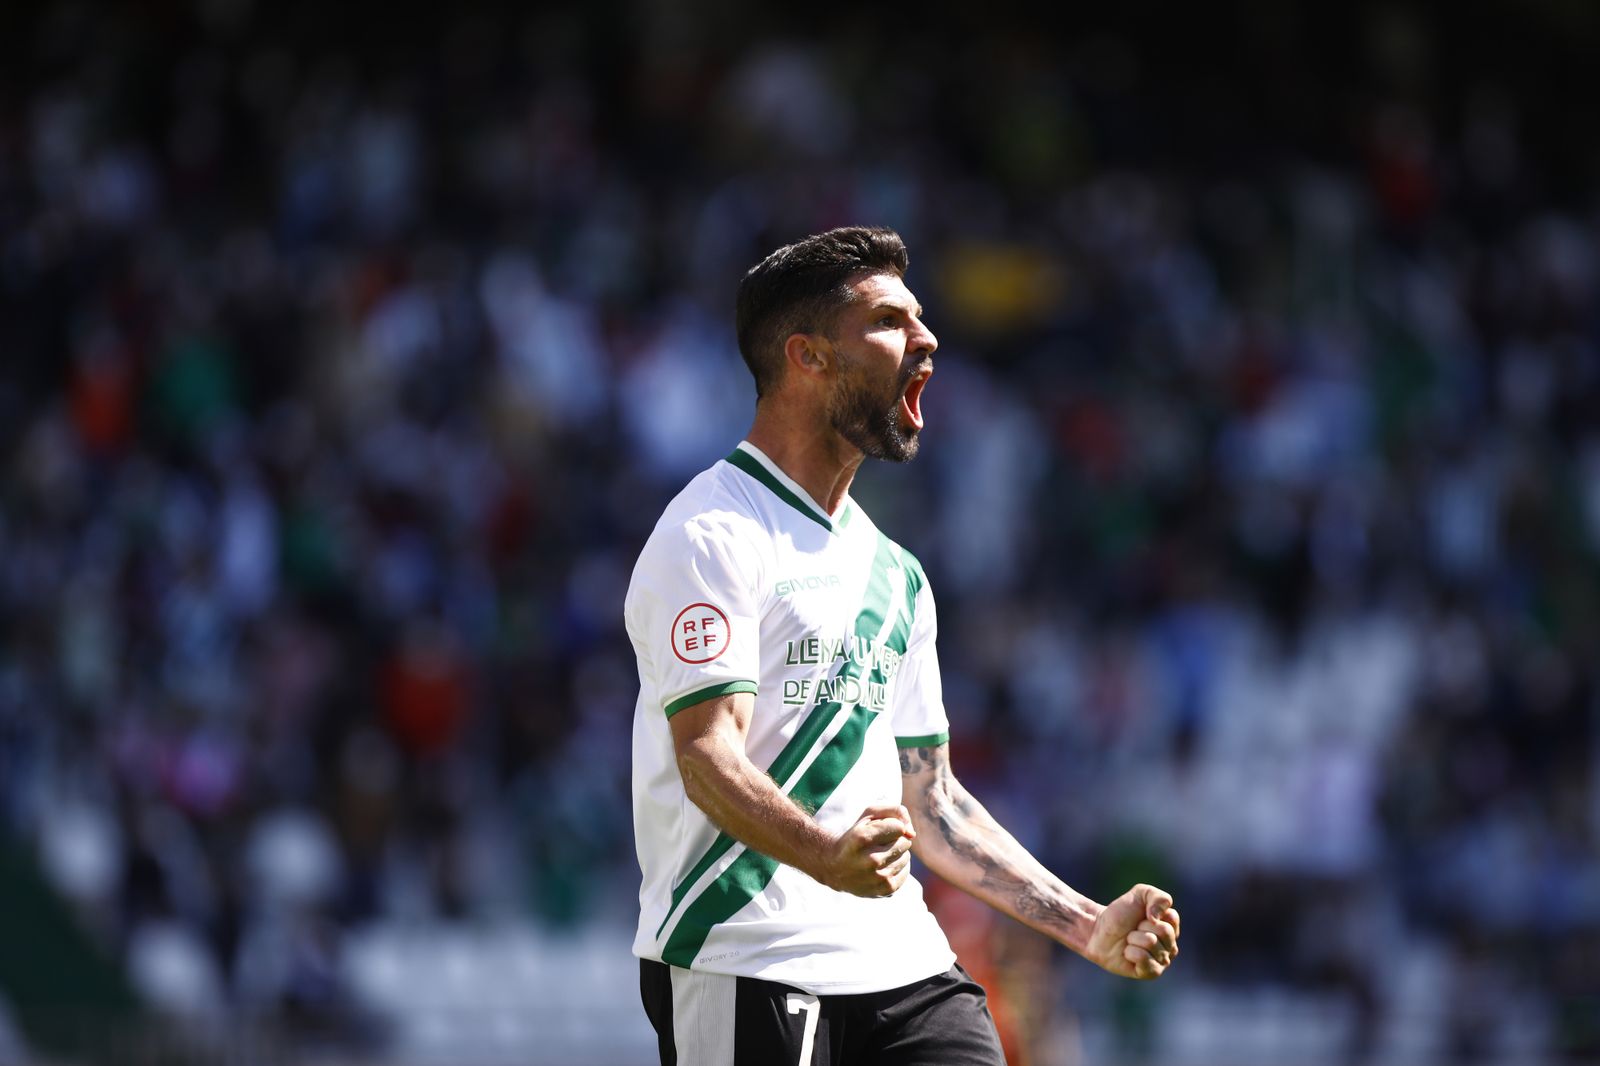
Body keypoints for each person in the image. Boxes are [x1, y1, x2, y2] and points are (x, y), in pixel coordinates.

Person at [625, 226, 1180, 1065]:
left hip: (902, 963)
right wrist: (826, 855)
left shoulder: (897, 575)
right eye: (890, 321)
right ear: (806, 357)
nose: (926, 340)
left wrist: (1085, 922)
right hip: (747, 955)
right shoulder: (712, 533)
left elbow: (936, 803)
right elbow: (707, 756)